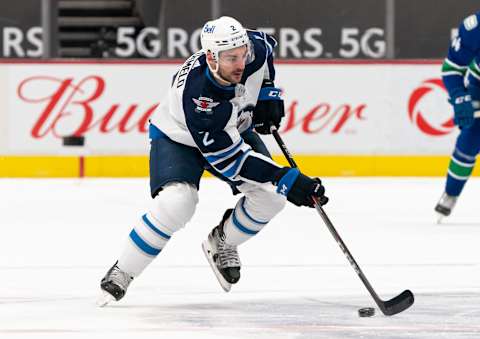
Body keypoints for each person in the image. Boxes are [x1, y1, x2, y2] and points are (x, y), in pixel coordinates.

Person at [97, 16, 328, 306]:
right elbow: (233, 161)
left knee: (271, 198)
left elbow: (267, 45)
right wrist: (288, 178)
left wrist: (268, 89)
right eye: (231, 58)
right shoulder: (199, 98)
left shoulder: (251, 50)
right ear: (211, 58)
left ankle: (223, 242)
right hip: (179, 137)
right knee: (177, 203)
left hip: (232, 130)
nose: (240, 64)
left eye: (242, 54)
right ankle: (123, 271)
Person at [435, 12, 480, 221]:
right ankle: (451, 192)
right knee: (471, 137)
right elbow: (452, 67)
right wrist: (459, 96)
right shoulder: (475, 28)